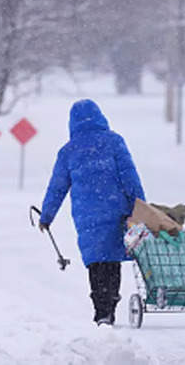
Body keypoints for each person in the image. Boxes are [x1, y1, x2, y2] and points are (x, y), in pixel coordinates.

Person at [38, 99, 146, 327]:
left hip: (87, 217)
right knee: (112, 260)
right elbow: (130, 177)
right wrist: (140, 206)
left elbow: (56, 187)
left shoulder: (68, 152)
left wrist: (46, 216)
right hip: (116, 211)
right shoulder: (114, 142)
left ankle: (101, 309)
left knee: (96, 262)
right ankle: (111, 303)